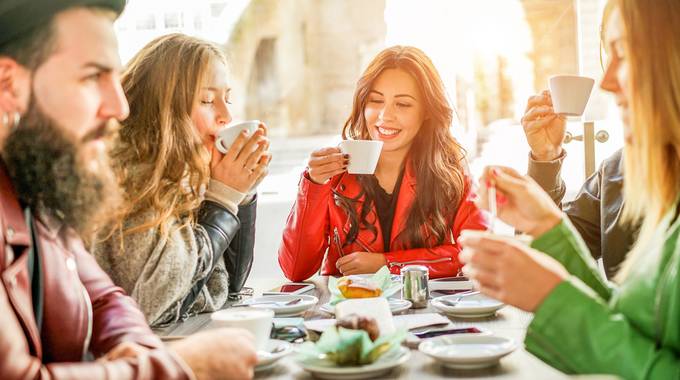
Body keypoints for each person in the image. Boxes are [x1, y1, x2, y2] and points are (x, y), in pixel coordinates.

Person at [0, 2, 257, 379]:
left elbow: (108, 301)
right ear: (8, 84)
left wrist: (140, 356)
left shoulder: (35, 193)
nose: (120, 107)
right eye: (92, 77)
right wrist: (179, 366)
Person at [459, 0, 680, 377]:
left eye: (623, 53)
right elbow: (634, 324)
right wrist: (545, 209)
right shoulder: (619, 171)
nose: (606, 83)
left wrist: (553, 299)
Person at [93, 34, 271, 326]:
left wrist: (241, 193)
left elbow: (230, 286)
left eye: (227, 98)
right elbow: (157, 303)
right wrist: (223, 200)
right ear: (163, 108)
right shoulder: (130, 180)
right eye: (206, 100)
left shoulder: (186, 175)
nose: (226, 115)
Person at [278, 46, 488, 281]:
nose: (385, 116)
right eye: (376, 100)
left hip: (423, 311)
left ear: (427, 111)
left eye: (403, 104)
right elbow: (295, 269)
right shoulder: (334, 173)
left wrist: (387, 264)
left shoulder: (450, 171)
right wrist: (313, 185)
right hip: (349, 311)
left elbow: (479, 253)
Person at [521, 90, 633, 278]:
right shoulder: (614, 172)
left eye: (623, 61)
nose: (607, 81)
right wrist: (545, 157)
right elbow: (545, 259)